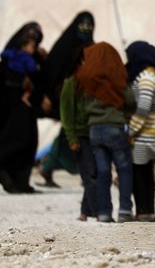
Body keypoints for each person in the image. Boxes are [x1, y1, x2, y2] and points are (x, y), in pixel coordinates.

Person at [76, 41, 135, 223]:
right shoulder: (117, 78)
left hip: (94, 130)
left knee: (102, 172)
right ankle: (124, 210)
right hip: (115, 128)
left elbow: (84, 107)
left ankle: (103, 213)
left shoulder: (87, 81)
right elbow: (131, 102)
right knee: (124, 169)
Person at [38, 11, 95, 188]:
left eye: (89, 26)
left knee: (72, 133)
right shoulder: (64, 45)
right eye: (82, 25)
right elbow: (51, 71)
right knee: (70, 132)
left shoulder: (91, 47)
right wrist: (46, 95)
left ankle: (51, 167)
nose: (85, 29)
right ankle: (85, 173)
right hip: (63, 96)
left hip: (84, 99)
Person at [125, 40, 155, 222]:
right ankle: (149, 211)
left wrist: (131, 130)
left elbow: (143, 108)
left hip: (143, 134)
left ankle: (143, 212)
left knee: (139, 175)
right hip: (154, 133)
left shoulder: (145, 78)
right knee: (147, 173)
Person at [0, 22, 47, 193]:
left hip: (25, 106)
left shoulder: (34, 59)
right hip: (11, 106)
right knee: (16, 140)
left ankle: (20, 182)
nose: (33, 44)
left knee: (29, 142)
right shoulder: (9, 57)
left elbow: (40, 79)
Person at [60, 44, 98, 221]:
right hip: (81, 135)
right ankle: (97, 211)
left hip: (95, 133)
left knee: (94, 173)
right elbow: (66, 113)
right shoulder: (71, 84)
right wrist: (71, 137)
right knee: (89, 174)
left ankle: (85, 211)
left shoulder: (93, 83)